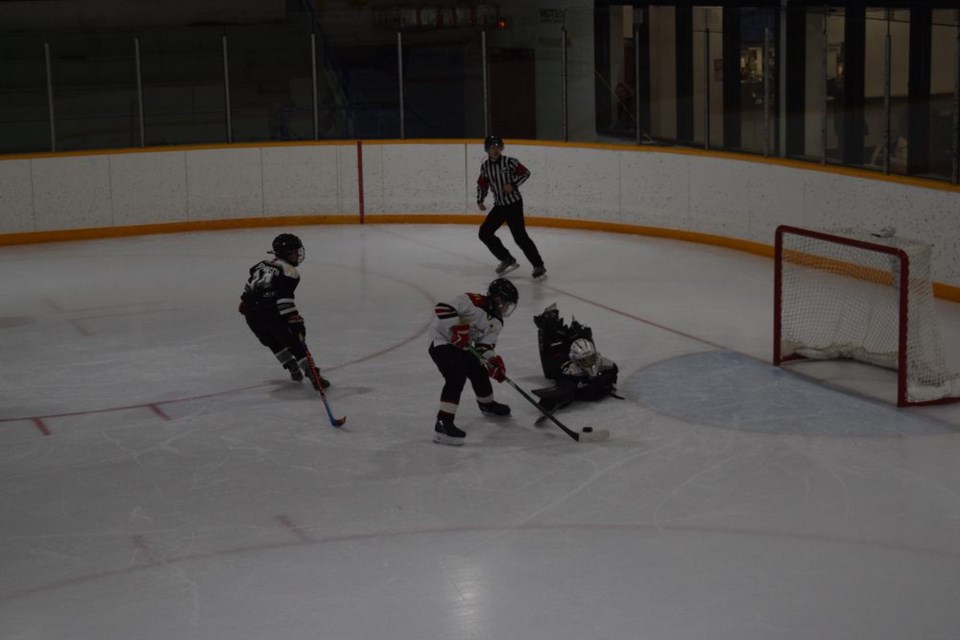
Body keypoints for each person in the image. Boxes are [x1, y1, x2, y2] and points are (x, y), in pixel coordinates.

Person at [428, 277, 519, 445]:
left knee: (479, 369)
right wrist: (456, 327)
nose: (506, 308)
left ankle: (487, 404)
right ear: (496, 298)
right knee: (456, 375)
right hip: (442, 341)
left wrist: (494, 362)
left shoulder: (497, 322)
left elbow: (484, 346)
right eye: (505, 303)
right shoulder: (471, 301)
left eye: (509, 306)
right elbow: (442, 307)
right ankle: (443, 424)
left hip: (463, 347)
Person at [238, 233, 330, 391]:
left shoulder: (261, 264)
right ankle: (313, 375)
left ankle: (292, 368)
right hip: (271, 314)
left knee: (272, 342)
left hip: (251, 315)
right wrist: (294, 319)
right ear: (285, 253)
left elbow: (249, 287)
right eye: (294, 252)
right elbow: (284, 300)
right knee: (294, 344)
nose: (298, 255)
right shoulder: (289, 271)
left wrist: (245, 301)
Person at [477, 135, 547, 281]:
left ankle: (538, 265)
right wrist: (480, 199)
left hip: (514, 205)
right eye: (491, 147)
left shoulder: (510, 162)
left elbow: (526, 173)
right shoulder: (485, 166)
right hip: (500, 206)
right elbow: (482, 183)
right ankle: (506, 258)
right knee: (484, 233)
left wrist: (513, 184)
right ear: (487, 150)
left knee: (520, 237)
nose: (495, 150)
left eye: (497, 147)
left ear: (501, 148)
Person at [531, 304, 619, 413]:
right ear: (575, 362)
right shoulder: (568, 372)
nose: (589, 363)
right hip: (558, 358)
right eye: (584, 361)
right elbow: (562, 389)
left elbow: (612, 370)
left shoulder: (605, 365)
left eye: (591, 358)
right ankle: (549, 320)